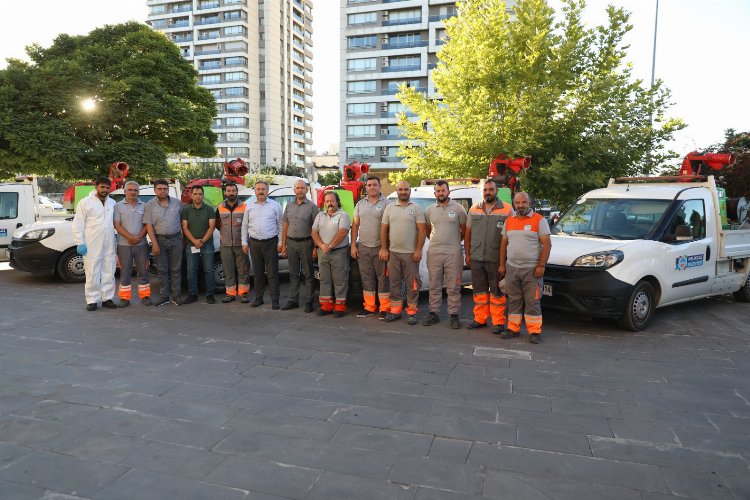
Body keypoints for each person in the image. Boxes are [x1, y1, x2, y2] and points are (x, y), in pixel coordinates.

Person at [499, 191, 552, 344]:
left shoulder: (539, 220)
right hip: (512, 268)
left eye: (524, 202)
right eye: (517, 203)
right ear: (514, 204)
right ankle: (513, 328)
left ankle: (534, 331)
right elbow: (504, 244)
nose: (520, 205)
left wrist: (541, 265)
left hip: (532, 269)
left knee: (532, 301)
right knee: (514, 299)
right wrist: (502, 265)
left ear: (529, 203)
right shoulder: (509, 220)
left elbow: (547, 244)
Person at [464, 179, 514, 333]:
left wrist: (504, 261)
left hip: (496, 258)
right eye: (485, 190)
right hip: (477, 257)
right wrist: (468, 254)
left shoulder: (507, 210)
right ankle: (480, 319)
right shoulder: (474, 209)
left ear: (496, 191)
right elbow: (467, 233)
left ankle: (498, 322)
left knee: (497, 292)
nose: (487, 192)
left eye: (491, 189)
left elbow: (511, 237)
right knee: (479, 291)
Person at [381, 180, 427, 325]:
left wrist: (418, 250)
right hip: (393, 253)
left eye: (406, 189)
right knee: (394, 283)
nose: (403, 192)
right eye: (400, 189)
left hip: (410, 254)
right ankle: (395, 311)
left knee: (412, 284)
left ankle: (412, 312)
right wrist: (384, 248)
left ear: (409, 191)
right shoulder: (389, 208)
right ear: (396, 191)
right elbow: (384, 229)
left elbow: (422, 230)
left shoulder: (417, 208)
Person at [423, 181, 467, 329]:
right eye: (438, 191)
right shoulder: (429, 210)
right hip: (434, 252)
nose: (440, 193)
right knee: (434, 285)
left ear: (449, 192)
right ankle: (433, 313)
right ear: (434, 193)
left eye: (443, 190)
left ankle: (454, 315)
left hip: (453, 253)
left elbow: (464, 230)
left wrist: (454, 242)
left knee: (453, 286)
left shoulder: (459, 209)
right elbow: (428, 231)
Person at [72, 176, 117, 311]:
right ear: (96, 187)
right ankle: (92, 300)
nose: (105, 190)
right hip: (91, 243)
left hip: (109, 242)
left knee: (109, 270)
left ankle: (107, 298)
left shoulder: (113, 203)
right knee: (92, 271)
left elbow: (116, 223)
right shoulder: (85, 203)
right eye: (102, 187)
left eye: (107, 187)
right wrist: (80, 242)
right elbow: (78, 224)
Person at [351, 176, 391, 319]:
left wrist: (385, 248)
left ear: (380, 186)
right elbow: (355, 225)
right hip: (364, 247)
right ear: (365, 188)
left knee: (383, 278)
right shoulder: (360, 204)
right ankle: (369, 307)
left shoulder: (387, 204)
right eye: (369, 185)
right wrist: (354, 245)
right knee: (366, 278)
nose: (372, 187)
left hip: (381, 247)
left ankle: (385, 308)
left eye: (375, 184)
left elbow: (390, 227)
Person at [242, 180, 283, 309]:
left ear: (267, 190)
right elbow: (244, 226)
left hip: (271, 242)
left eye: (263, 189)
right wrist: (244, 242)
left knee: (272, 273)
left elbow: (281, 225)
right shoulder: (248, 206)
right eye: (258, 189)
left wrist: (281, 242)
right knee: (258, 273)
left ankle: (275, 300)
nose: (261, 191)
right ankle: (259, 298)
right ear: (254, 191)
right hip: (254, 243)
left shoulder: (275, 205)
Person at [144, 179, 184, 307]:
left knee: (176, 269)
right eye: (160, 189)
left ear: (168, 189)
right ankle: (164, 296)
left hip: (176, 239)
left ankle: (176, 295)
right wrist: (154, 243)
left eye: (165, 189)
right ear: (155, 190)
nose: (163, 191)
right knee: (162, 270)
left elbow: (184, 222)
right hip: (159, 240)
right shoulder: (149, 205)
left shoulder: (178, 203)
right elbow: (148, 225)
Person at [281, 180, 318, 313]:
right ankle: (294, 300)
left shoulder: (312, 207)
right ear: (294, 190)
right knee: (293, 273)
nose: (300, 190)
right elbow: (285, 225)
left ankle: (309, 301)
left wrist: (315, 247)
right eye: (297, 188)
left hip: (306, 243)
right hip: (291, 243)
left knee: (308, 274)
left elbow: (316, 228)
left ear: (306, 190)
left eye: (302, 188)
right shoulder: (289, 206)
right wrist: (283, 245)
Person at [312, 191, 351, 317]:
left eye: (332, 201)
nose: (329, 203)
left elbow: (343, 232)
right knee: (324, 279)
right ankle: (326, 305)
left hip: (339, 252)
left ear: (337, 202)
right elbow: (314, 232)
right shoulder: (320, 215)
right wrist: (322, 246)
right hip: (323, 252)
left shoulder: (343, 215)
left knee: (340, 280)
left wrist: (330, 246)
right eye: (327, 201)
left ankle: (340, 307)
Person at [113, 181, 150, 307]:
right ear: (125, 191)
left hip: (142, 244)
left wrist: (138, 237)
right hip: (124, 245)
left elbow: (147, 225)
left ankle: (145, 296)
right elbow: (117, 225)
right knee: (125, 272)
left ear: (138, 192)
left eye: (135, 190)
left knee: (143, 271)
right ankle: (124, 298)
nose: (133, 192)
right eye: (130, 190)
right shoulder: (118, 206)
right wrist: (130, 237)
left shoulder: (145, 206)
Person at [181, 185, 216, 304]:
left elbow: (211, 227)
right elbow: (184, 228)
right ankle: (192, 294)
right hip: (191, 245)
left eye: (200, 194)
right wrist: (195, 241)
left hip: (207, 244)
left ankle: (210, 294)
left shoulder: (209, 209)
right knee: (191, 270)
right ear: (191, 195)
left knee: (209, 270)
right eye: (195, 194)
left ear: (203, 195)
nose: (198, 196)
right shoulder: (186, 210)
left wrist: (201, 241)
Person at [215, 182, 250, 303]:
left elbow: (248, 225)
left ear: (237, 192)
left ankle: (243, 293)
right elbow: (217, 224)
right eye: (228, 191)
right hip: (225, 245)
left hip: (240, 244)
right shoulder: (220, 207)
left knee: (243, 270)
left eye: (233, 191)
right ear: (225, 193)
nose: (231, 193)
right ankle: (230, 293)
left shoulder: (245, 207)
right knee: (228, 270)